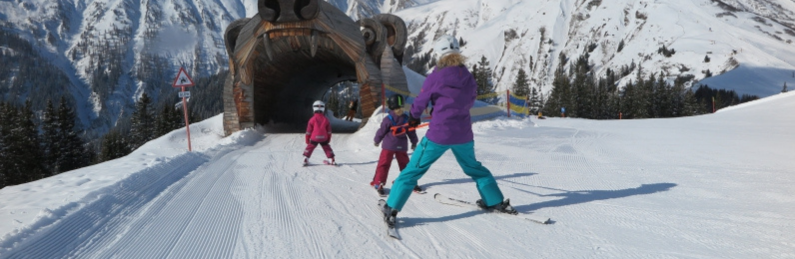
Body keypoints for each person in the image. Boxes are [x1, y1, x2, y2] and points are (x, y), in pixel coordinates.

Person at [382, 35, 517, 225]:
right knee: (474, 168)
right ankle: (494, 200)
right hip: (463, 134)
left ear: (439, 54)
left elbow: (421, 100)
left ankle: (392, 207)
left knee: (413, 170)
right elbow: (470, 100)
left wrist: (414, 117)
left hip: (439, 134)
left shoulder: (436, 76)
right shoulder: (467, 76)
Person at [372, 94, 420, 196]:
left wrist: (377, 140)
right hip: (402, 147)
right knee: (405, 165)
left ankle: (379, 183)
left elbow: (382, 131)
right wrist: (414, 142)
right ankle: (410, 183)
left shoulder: (388, 119)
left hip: (388, 146)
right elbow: (411, 131)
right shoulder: (406, 118)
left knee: (384, 164)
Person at [303, 100, 335, 166]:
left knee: (310, 147)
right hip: (324, 138)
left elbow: (308, 131)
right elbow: (329, 131)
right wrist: (328, 138)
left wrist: (307, 139)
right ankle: (331, 158)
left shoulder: (312, 119)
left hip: (314, 137)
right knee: (326, 147)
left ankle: (306, 158)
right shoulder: (326, 119)